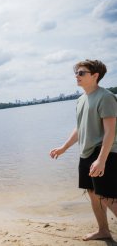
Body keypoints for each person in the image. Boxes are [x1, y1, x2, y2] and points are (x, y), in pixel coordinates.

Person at [49, 59, 117, 241]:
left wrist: (102, 160)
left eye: (81, 73)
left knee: (108, 196)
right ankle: (103, 230)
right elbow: (80, 128)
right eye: (76, 73)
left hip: (103, 152)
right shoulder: (81, 99)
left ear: (95, 76)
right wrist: (63, 148)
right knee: (94, 194)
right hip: (86, 152)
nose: (77, 76)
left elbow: (111, 131)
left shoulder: (106, 97)